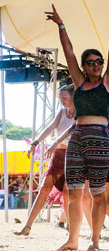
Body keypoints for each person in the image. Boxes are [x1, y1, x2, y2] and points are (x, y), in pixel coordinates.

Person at [45, 2, 109, 251]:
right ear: (84, 66)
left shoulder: (108, 82)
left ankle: (94, 241)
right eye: (91, 62)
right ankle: (73, 240)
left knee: (97, 195)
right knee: (72, 192)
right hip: (77, 139)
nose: (96, 65)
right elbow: (69, 51)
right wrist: (61, 25)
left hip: (101, 141)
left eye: (99, 62)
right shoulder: (79, 84)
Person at [14, 85, 75, 236]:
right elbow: (49, 128)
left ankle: (71, 228)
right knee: (44, 188)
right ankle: (27, 226)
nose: (61, 101)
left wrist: (55, 142)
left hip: (73, 155)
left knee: (68, 193)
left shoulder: (81, 114)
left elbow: (71, 131)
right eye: (60, 98)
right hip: (58, 155)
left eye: (64, 98)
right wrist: (35, 142)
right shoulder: (61, 112)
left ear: (74, 97)